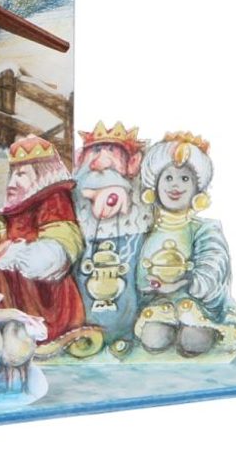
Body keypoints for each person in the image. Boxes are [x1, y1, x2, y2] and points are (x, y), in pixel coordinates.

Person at [0, 135, 86, 343]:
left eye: (21, 174)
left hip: (44, 302)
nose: (11, 183)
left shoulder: (54, 202)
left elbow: (50, 260)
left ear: (42, 176)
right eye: (11, 174)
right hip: (14, 291)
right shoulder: (13, 211)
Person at [133, 132, 236, 357]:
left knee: (194, 341)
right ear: (154, 185)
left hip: (195, 302)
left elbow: (214, 264)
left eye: (185, 179)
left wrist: (186, 282)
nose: (175, 185)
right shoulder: (144, 228)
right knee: (154, 338)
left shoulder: (203, 229)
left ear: (197, 188)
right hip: (158, 302)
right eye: (168, 178)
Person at [71, 122, 153, 354]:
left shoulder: (138, 206)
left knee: (125, 286)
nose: (103, 159)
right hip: (87, 241)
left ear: (132, 162)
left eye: (112, 150)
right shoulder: (78, 198)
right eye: (96, 150)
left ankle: (123, 332)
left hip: (126, 236)